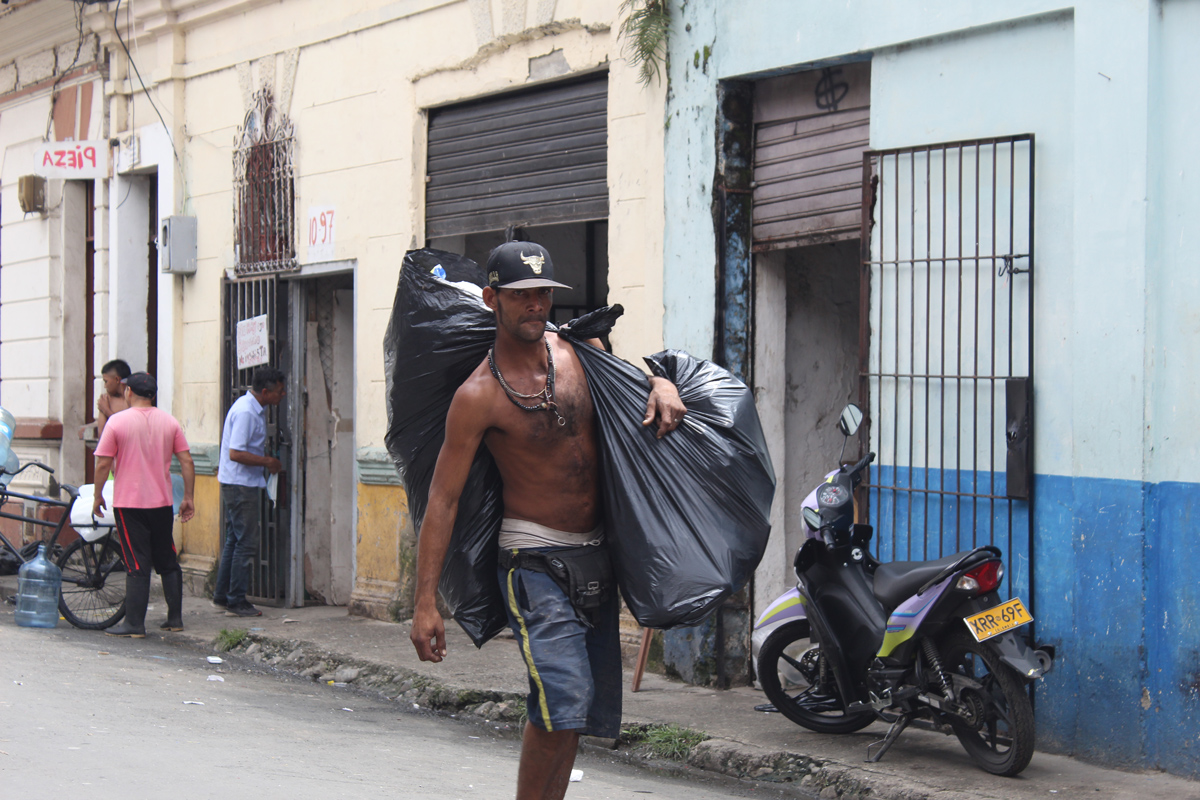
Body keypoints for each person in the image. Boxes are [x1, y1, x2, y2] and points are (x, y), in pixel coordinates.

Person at [410, 241, 686, 800]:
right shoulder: (479, 396)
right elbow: (442, 500)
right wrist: (424, 603)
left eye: (543, 293)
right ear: (492, 299)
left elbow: (634, 387)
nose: (535, 305)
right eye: (521, 295)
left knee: (572, 709)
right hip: (533, 561)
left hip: (596, 556)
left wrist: (661, 381)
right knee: (562, 695)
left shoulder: (581, 352)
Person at [93, 372, 196, 637]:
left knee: (136, 561)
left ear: (128, 392)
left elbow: (103, 462)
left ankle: (134, 624)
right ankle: (175, 619)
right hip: (161, 503)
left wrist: (97, 495)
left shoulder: (117, 423)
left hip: (130, 503)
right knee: (166, 559)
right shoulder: (169, 422)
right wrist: (188, 497)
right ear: (152, 395)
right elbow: (187, 461)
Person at [213, 366, 285, 618]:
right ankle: (236, 599)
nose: (283, 395)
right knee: (246, 542)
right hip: (240, 484)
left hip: (242, 483)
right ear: (265, 391)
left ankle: (223, 595)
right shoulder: (246, 412)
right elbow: (236, 452)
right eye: (279, 391)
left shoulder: (255, 409)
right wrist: (267, 462)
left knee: (235, 539)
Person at [95, 359, 132, 438]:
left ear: (117, 379)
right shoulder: (107, 400)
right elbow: (102, 435)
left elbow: (128, 429)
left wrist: (107, 410)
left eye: (106, 381)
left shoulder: (133, 398)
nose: (105, 386)